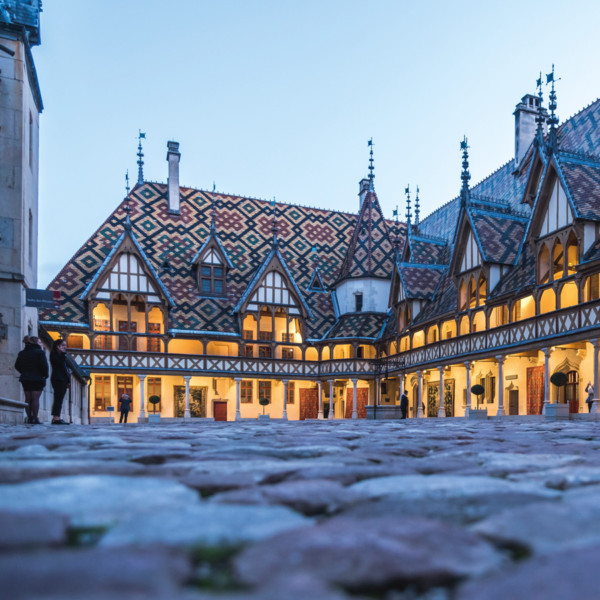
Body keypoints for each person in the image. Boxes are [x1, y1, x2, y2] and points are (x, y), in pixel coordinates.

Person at [15, 336, 49, 425]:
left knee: (28, 398)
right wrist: (44, 376)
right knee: (35, 399)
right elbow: (44, 366)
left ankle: (30, 418)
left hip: (25, 378)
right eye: (40, 342)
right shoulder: (40, 353)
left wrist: (24, 372)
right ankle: (35, 418)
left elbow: (17, 365)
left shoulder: (22, 353)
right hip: (37, 378)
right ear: (35, 343)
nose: (41, 344)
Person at [50, 339, 71, 425]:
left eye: (65, 345)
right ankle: (55, 418)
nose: (64, 347)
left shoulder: (62, 355)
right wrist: (62, 354)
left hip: (63, 379)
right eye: (62, 345)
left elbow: (66, 370)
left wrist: (68, 381)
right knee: (58, 399)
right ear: (57, 346)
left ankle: (57, 417)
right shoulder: (55, 355)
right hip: (58, 379)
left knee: (60, 399)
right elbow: (59, 365)